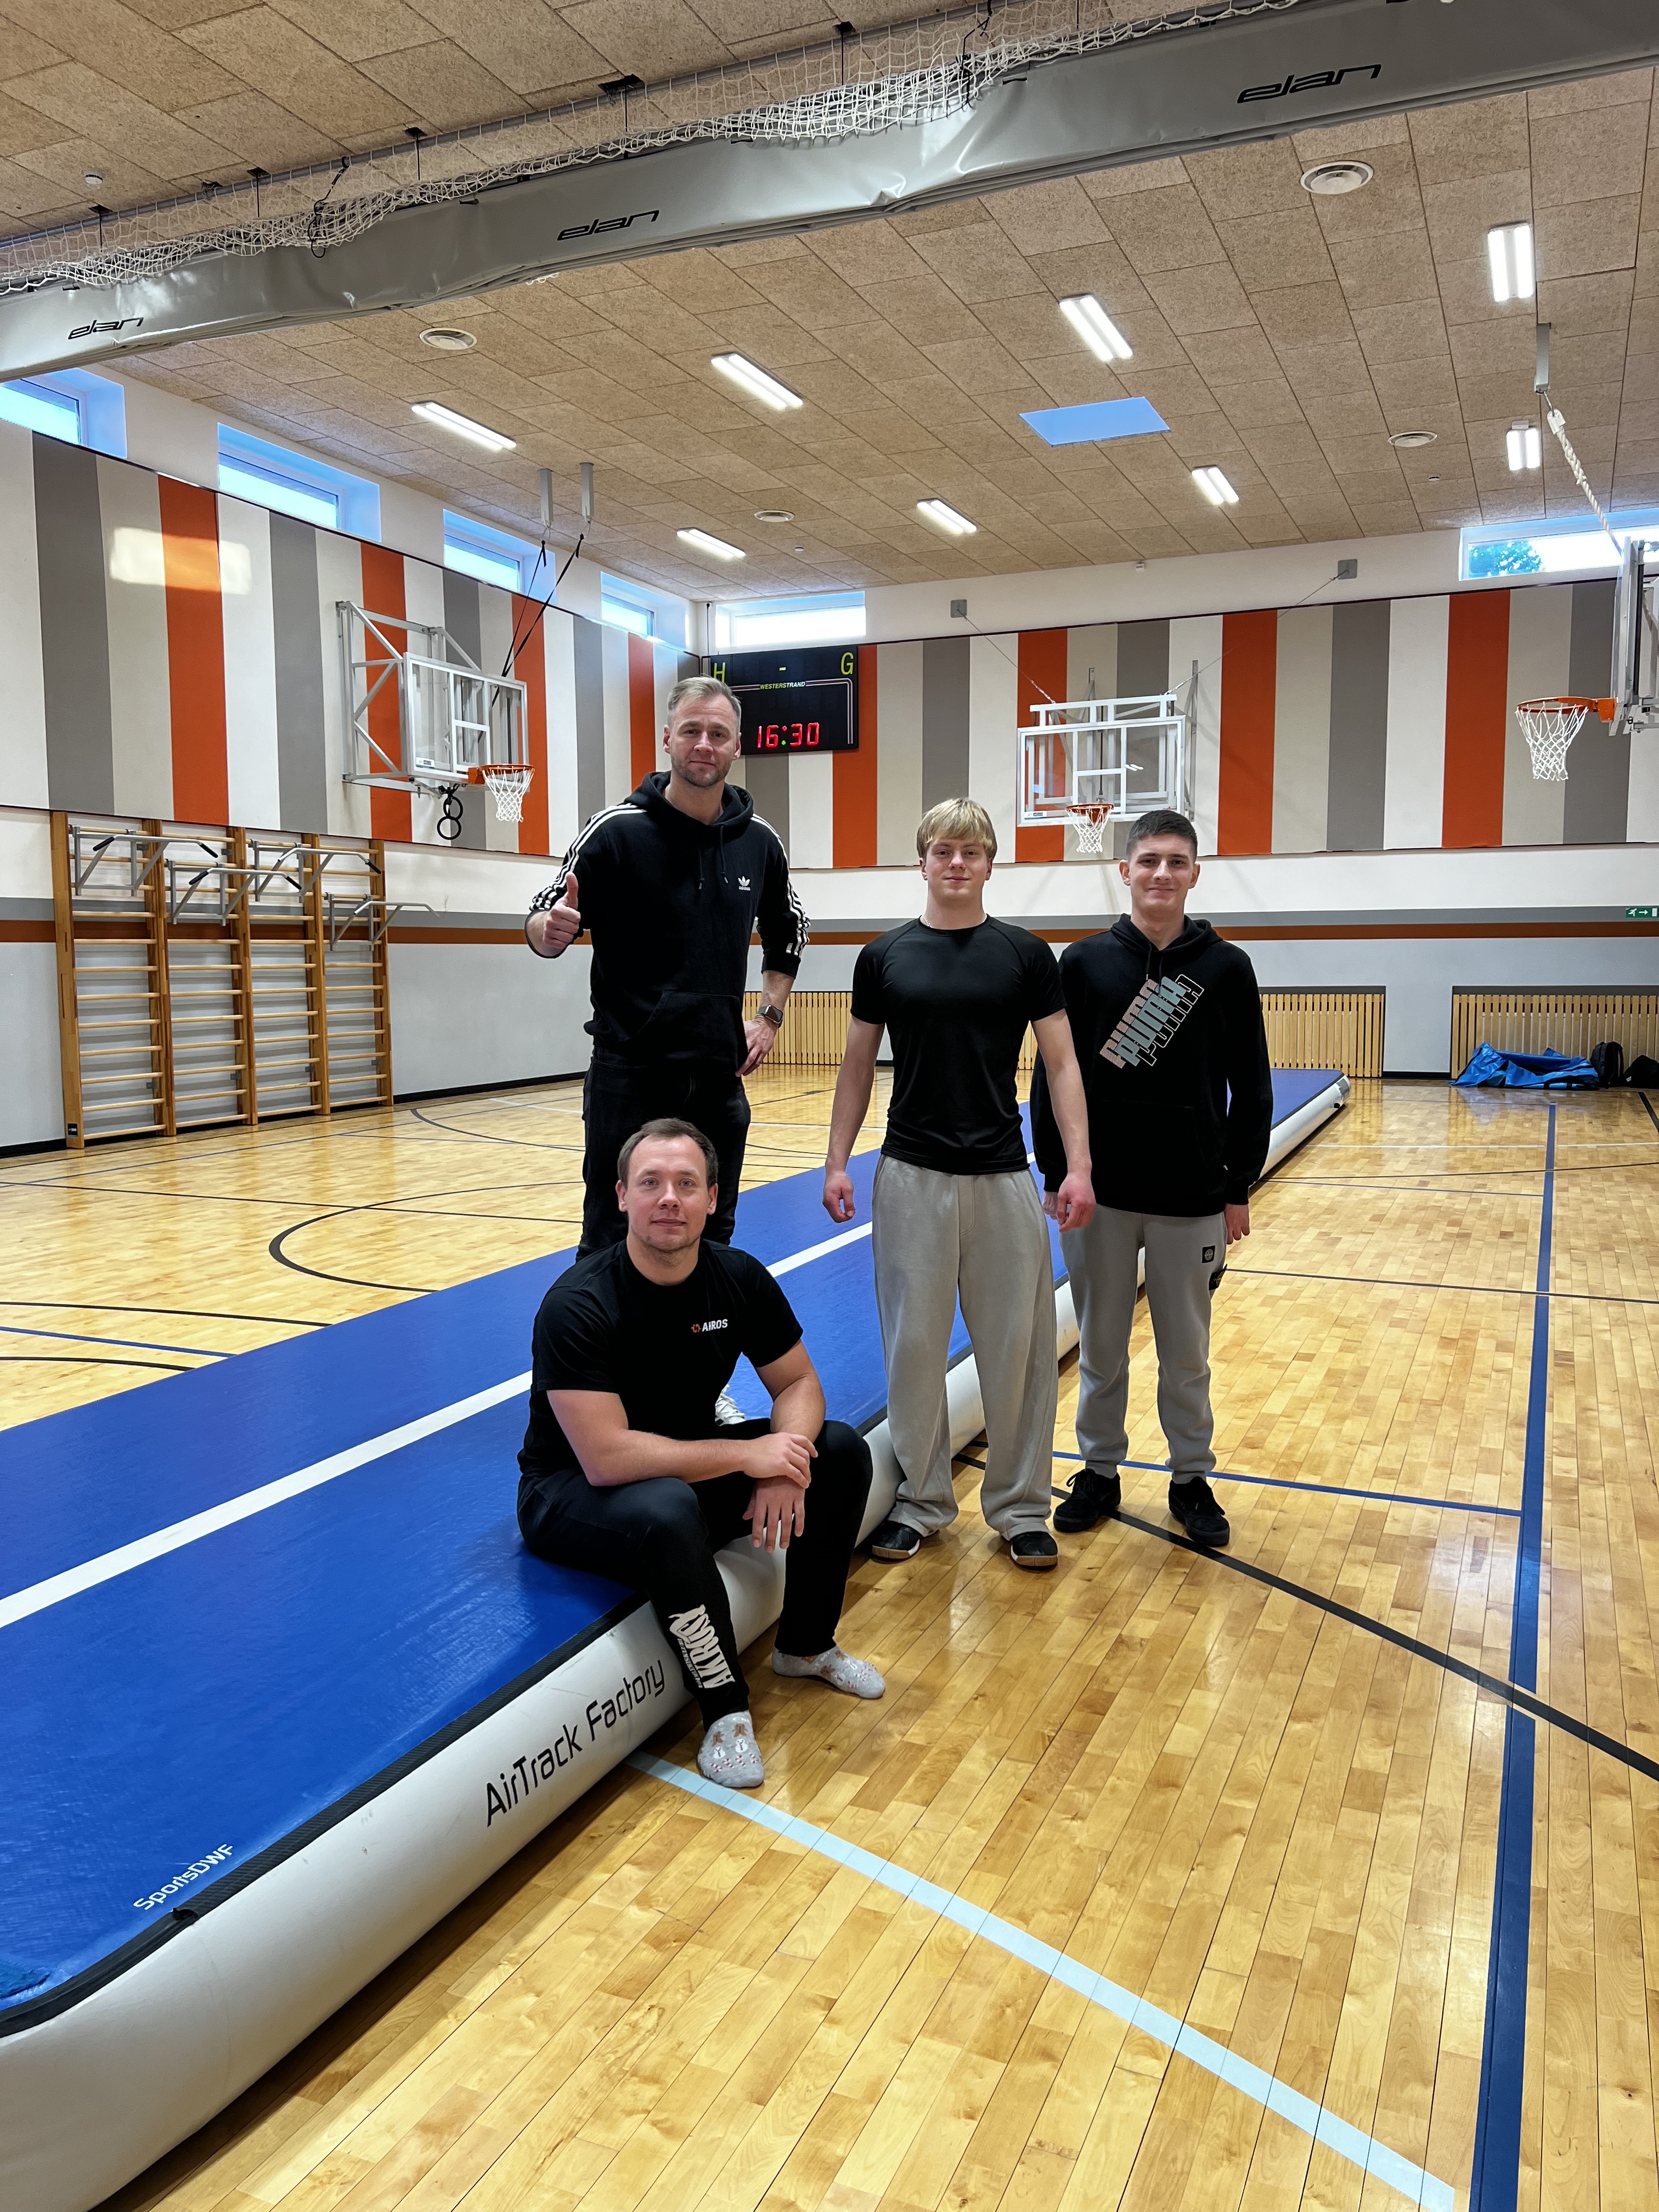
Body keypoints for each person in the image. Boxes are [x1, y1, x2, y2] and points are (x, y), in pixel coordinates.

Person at [517, 1118, 882, 1789]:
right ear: (621, 1196)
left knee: (839, 1450)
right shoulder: (578, 1303)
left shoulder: (736, 1277)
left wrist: (788, 1462)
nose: (669, 1199)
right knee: (666, 1508)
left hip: (682, 1465)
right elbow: (606, 1458)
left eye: (687, 1184)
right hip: (572, 1493)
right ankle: (724, 1710)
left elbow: (799, 1384)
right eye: (650, 1183)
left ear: (712, 1198)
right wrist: (747, 1458)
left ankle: (806, 1646)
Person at [822, 798, 1095, 1572]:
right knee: (912, 1349)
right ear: (922, 861)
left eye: (971, 852)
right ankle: (922, 1502)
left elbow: (1063, 1065)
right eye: (943, 850)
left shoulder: (1025, 955)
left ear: (989, 864)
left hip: (1003, 1175)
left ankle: (1021, 1508)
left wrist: (1077, 1166)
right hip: (910, 1175)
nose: (956, 863)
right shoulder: (883, 957)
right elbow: (856, 1067)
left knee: (1018, 1351)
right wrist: (837, 1160)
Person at [1031, 808, 1273, 1551]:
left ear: (1195, 873)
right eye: (1149, 861)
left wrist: (1238, 1186)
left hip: (1192, 1198)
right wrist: (1056, 1171)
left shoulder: (1227, 968)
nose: (1161, 873)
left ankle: (1190, 1478)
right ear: (1125, 871)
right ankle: (1099, 1471)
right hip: (1100, 1197)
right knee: (1100, 1349)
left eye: (1176, 861)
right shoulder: (1082, 964)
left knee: (1186, 1357)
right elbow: (1052, 1076)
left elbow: (1252, 1084)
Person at [526, 675, 809, 1253]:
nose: (704, 744)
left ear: (737, 746)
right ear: (667, 739)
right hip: (628, 1075)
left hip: (718, 1077)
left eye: (718, 734)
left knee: (713, 1233)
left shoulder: (759, 841)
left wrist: (770, 1018)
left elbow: (790, 931)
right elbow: (543, 915)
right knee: (611, 1233)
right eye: (691, 731)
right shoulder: (616, 831)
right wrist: (548, 932)